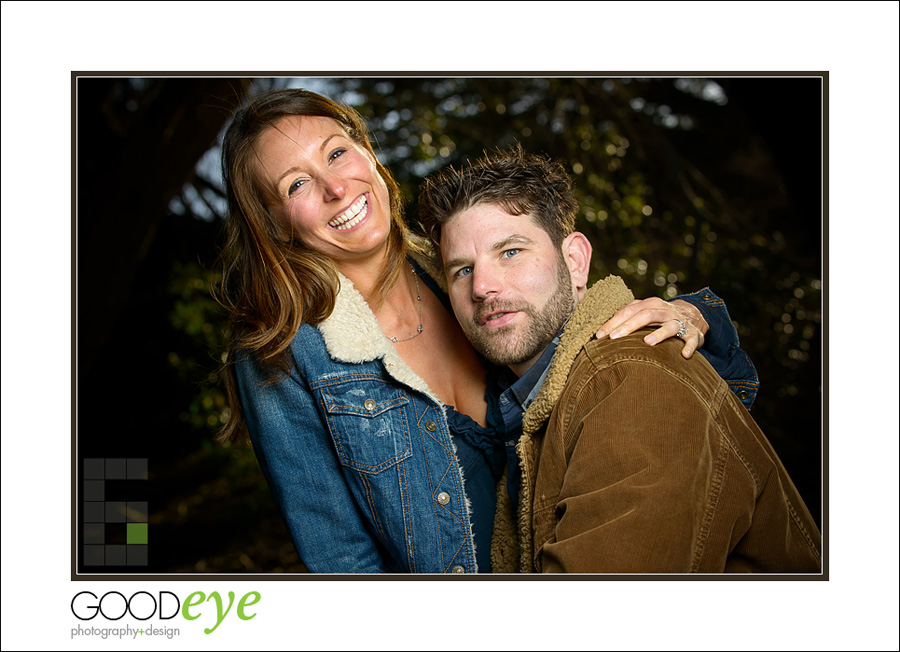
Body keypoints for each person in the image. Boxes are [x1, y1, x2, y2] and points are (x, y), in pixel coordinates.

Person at [216, 88, 759, 573]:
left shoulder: (465, 266)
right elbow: (342, 563)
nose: (336, 186)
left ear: (367, 153)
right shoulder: (282, 352)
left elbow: (587, 333)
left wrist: (692, 314)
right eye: (296, 185)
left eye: (337, 152)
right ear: (271, 221)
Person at [417, 146, 822, 573]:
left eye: (511, 252)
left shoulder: (631, 378)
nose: (482, 286)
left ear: (574, 262)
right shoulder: (516, 408)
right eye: (461, 269)